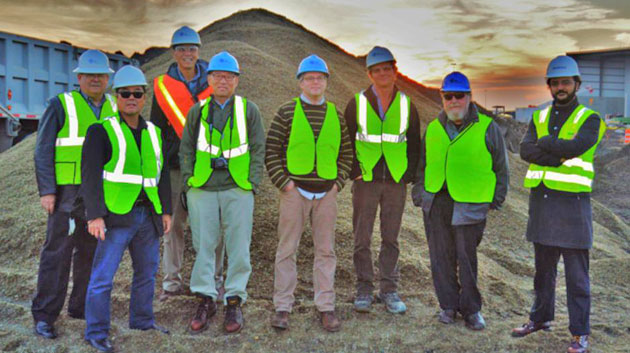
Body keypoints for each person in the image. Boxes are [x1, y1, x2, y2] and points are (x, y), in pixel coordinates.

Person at [512, 55, 606, 353]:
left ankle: (580, 333)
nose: (560, 87)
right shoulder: (538, 118)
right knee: (543, 273)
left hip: (573, 207)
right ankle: (540, 319)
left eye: (566, 82)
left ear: (576, 84)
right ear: (549, 86)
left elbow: (577, 147)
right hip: (542, 204)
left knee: (577, 277)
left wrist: (548, 146)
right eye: (555, 82)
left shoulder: (589, 119)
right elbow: (524, 149)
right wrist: (558, 156)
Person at [81, 65, 172, 352]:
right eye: (125, 93)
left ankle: (142, 322)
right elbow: (90, 175)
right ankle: (96, 332)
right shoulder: (101, 130)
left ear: (144, 97)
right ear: (116, 97)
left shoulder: (155, 133)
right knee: (102, 278)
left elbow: (162, 175)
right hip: (116, 216)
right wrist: (94, 215)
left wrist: (166, 211)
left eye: (137, 93)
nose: (131, 97)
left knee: (146, 273)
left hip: (149, 215)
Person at [412, 71, 509, 331]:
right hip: (436, 202)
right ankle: (448, 306)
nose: (454, 100)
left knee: (466, 259)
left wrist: (496, 198)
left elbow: (501, 166)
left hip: (470, 202)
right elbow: (422, 164)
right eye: (448, 96)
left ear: (469, 97)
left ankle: (472, 310)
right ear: (442, 98)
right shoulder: (433, 128)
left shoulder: (488, 127)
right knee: (440, 258)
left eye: (459, 95)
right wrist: (420, 193)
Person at [32, 49, 117, 339]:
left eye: (100, 75)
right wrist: (47, 191)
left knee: (91, 255)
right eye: (89, 75)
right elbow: (43, 149)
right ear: (79, 77)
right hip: (67, 194)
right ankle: (44, 315)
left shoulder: (116, 107)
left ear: (108, 79)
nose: (95, 79)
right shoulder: (61, 105)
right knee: (57, 255)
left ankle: (79, 308)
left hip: (100, 196)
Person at [179, 51, 265, 334]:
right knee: (204, 245)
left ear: (237, 80)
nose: (223, 81)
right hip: (203, 187)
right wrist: (189, 181)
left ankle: (234, 300)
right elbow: (187, 148)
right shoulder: (198, 111)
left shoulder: (248, 109)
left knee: (238, 247)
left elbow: (257, 147)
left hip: (237, 187)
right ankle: (205, 298)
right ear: (210, 79)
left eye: (229, 76)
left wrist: (252, 183)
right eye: (218, 76)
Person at [266, 55, 353, 332]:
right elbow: (272, 151)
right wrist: (285, 184)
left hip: (326, 193)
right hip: (294, 192)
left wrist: (337, 184)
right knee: (286, 249)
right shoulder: (286, 112)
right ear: (300, 82)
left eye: (320, 77)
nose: (315, 82)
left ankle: (326, 307)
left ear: (326, 81)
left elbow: (346, 153)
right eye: (309, 78)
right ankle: (282, 306)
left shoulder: (336, 114)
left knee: (326, 251)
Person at [150, 25, 225, 302]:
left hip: (208, 165)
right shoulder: (161, 86)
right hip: (174, 167)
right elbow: (155, 129)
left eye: (192, 48)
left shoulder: (216, 80)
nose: (187, 53)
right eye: (181, 48)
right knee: (174, 225)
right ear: (174, 52)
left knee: (211, 226)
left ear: (198, 51)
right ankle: (172, 282)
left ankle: (213, 280)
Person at [344, 46, 421, 314]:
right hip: (366, 179)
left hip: (395, 181)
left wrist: (408, 174)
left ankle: (389, 289)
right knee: (362, 237)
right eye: (377, 70)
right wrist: (355, 170)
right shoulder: (357, 102)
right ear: (369, 74)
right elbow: (348, 139)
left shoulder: (406, 104)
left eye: (387, 69)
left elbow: (413, 143)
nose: (382, 74)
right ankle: (364, 288)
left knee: (391, 238)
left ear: (395, 71)